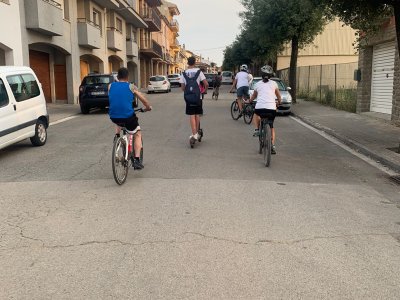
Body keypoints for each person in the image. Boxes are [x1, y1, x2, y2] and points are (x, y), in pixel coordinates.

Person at [108, 67, 152, 170]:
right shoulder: (131, 86)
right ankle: (136, 160)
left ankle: (117, 135)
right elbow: (144, 100)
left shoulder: (110, 86)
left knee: (118, 115)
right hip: (128, 117)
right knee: (137, 133)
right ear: (127, 77)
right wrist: (148, 107)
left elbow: (116, 99)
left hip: (113, 116)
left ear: (117, 77)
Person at [249, 65, 282, 155]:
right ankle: (272, 145)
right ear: (271, 76)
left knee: (256, 114)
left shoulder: (257, 84)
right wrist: (279, 102)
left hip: (260, 108)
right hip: (272, 109)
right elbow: (279, 96)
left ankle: (256, 129)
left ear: (261, 75)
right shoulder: (274, 84)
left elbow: (254, 96)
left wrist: (250, 101)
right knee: (271, 126)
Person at [180, 56, 209, 146]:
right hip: (198, 97)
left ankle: (194, 134)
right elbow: (206, 84)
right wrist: (204, 91)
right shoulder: (199, 72)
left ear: (188, 63)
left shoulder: (184, 73)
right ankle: (196, 133)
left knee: (192, 115)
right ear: (195, 63)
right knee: (197, 114)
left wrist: (188, 90)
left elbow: (182, 88)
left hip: (188, 98)